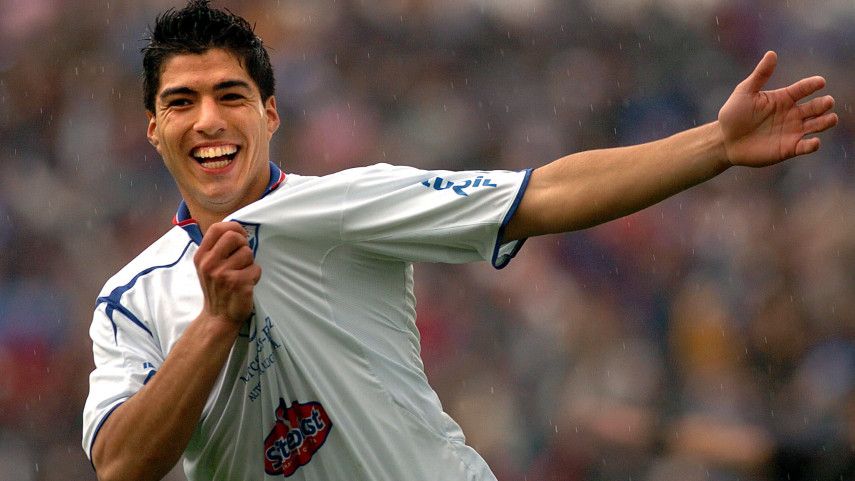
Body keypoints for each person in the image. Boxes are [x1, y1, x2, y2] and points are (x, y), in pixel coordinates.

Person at [81, 1, 838, 480]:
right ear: (153, 128)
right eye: (181, 102)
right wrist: (216, 323)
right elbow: (121, 463)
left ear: (271, 113)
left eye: (230, 96)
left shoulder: (345, 204)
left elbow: (541, 194)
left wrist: (714, 144)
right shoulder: (131, 299)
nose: (207, 120)